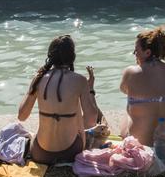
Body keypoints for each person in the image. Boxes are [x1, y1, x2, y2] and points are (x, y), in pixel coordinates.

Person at [18, 35, 102, 165]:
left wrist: (33, 87)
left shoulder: (39, 78)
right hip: (71, 152)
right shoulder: (80, 80)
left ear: (50, 56)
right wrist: (90, 89)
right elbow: (91, 121)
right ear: (72, 57)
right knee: (76, 106)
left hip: (40, 153)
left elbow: (22, 116)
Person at [120, 27, 165, 155]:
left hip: (141, 149)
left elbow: (124, 90)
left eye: (136, 50)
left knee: (129, 110)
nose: (135, 54)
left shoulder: (131, 72)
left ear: (147, 52)